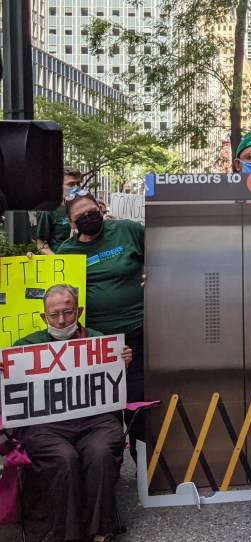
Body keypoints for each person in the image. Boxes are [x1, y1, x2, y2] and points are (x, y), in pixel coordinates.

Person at [2, 284, 132, 542]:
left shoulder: (100, 340)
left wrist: (122, 363)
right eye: (54, 315)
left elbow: (111, 382)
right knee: (64, 458)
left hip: (96, 421)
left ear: (79, 311)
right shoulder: (25, 347)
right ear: (44, 317)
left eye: (68, 312)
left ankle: (100, 531)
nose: (62, 320)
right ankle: (68, 535)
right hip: (46, 425)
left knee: (100, 452)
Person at [56, 189, 146, 460]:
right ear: (71, 223)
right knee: (104, 408)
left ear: (101, 208)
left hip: (139, 331)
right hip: (98, 343)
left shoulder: (128, 230)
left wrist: (154, 272)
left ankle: (145, 465)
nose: (88, 218)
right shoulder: (67, 252)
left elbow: (162, 254)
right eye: (80, 216)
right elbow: (56, 291)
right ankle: (107, 466)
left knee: (139, 401)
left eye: (92, 211)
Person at [34, 166, 82, 254]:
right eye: (70, 184)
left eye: (78, 184)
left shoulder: (84, 207)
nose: (76, 187)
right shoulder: (49, 210)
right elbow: (41, 244)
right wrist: (58, 261)